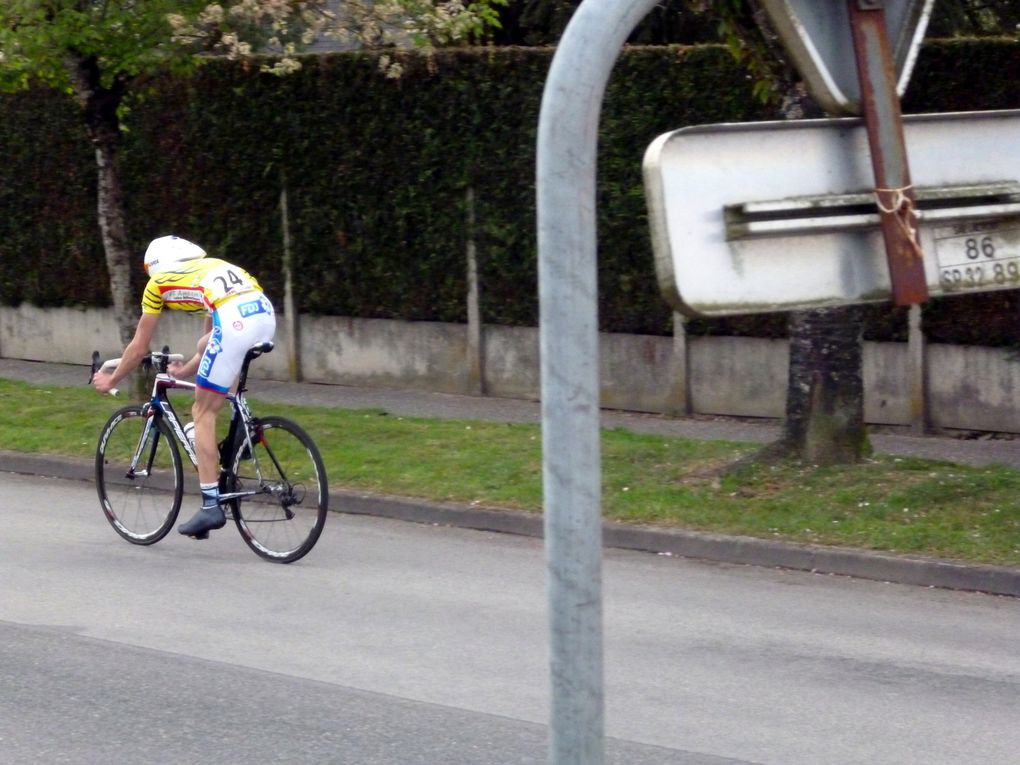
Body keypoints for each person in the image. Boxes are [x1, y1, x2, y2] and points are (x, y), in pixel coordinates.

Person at [92, 235, 276, 538]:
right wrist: (186, 369)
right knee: (216, 383)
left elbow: (139, 348)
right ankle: (239, 436)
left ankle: (210, 506)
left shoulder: (158, 283)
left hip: (233, 322)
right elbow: (210, 341)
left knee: (202, 412)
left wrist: (111, 379)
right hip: (263, 314)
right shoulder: (208, 268)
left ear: (156, 265)